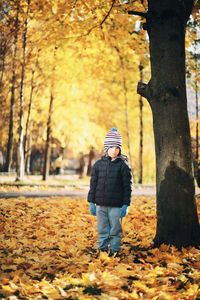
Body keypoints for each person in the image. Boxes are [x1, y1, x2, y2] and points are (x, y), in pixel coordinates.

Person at [87, 128, 132, 257]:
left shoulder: (123, 166)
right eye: (111, 147)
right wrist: (91, 202)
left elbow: (127, 186)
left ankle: (114, 250)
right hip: (100, 205)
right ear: (106, 148)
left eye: (117, 147)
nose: (114, 150)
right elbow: (93, 184)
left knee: (115, 230)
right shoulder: (98, 165)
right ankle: (102, 250)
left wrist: (126, 205)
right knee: (102, 229)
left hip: (117, 206)